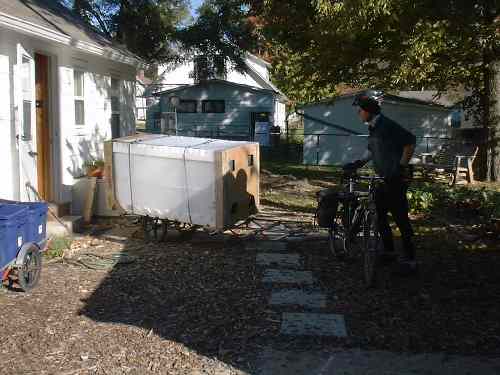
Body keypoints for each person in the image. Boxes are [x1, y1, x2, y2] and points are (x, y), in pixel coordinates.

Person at [344, 94, 417, 274]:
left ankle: (410, 260)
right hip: (382, 178)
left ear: (368, 111)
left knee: (401, 219)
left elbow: (410, 142)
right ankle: (389, 251)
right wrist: (359, 163)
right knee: (380, 216)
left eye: (360, 111)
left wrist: (401, 167)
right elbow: (372, 149)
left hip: (396, 179)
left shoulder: (387, 125)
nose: (358, 114)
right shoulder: (374, 128)